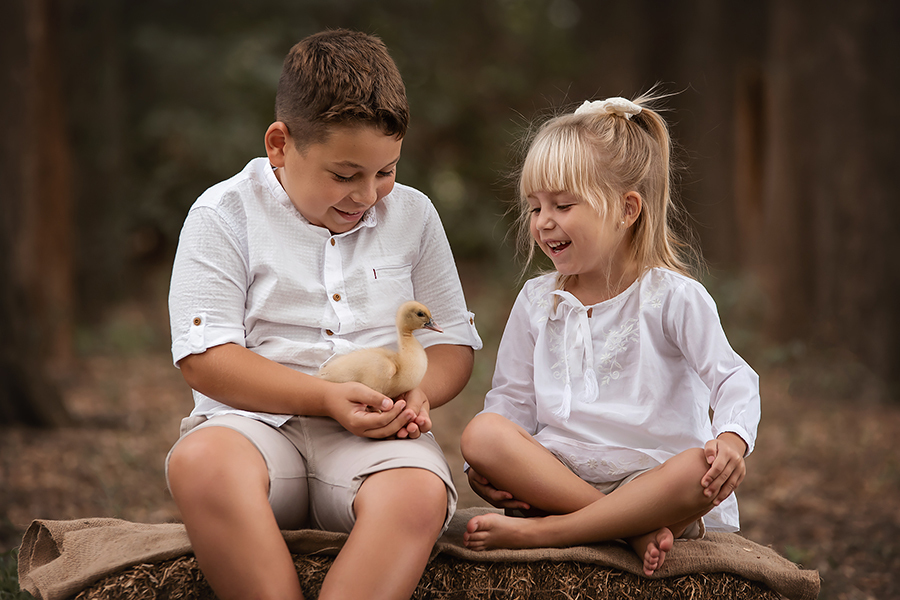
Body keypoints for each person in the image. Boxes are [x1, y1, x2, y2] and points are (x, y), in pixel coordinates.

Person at [165, 29, 482, 600]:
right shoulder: (222, 213)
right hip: (254, 430)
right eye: (344, 175)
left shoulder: (414, 216)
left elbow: (452, 343)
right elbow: (205, 361)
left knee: (417, 492)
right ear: (280, 145)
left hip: (375, 439)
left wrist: (419, 392)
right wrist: (322, 398)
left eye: (385, 171)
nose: (367, 195)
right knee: (201, 462)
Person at [459, 93, 760, 577]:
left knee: (696, 469)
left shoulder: (672, 297)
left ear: (627, 209)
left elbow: (734, 379)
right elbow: (510, 403)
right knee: (481, 434)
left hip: (653, 481)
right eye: (535, 207)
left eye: (563, 204)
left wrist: (731, 439)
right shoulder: (539, 301)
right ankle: (627, 530)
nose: (544, 222)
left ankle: (551, 532)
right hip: (559, 475)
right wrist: (487, 468)